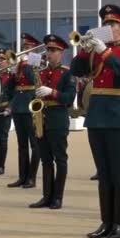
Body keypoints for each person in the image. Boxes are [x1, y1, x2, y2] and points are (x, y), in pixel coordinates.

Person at [71, 4, 120, 238]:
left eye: (112, 24)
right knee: (104, 174)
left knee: (119, 175)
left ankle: (119, 223)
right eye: (106, 24)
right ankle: (105, 221)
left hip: (119, 117)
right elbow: (76, 70)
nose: (108, 28)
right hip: (97, 116)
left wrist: (105, 53)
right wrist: (83, 50)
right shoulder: (96, 50)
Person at [29, 34, 76, 209]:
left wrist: (52, 92)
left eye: (54, 50)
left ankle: (58, 197)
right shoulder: (40, 72)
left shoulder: (68, 73)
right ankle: (46, 196)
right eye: (48, 49)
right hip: (42, 118)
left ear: (61, 52)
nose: (50, 53)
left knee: (60, 159)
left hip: (58, 119)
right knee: (46, 160)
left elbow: (69, 98)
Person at [6, 33, 41, 188]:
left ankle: (31, 177)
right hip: (19, 106)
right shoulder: (20, 65)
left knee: (34, 144)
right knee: (22, 145)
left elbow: (35, 81)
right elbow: (9, 88)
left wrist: (25, 64)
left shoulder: (37, 62)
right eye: (24, 47)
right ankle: (22, 176)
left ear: (34, 49)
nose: (24, 50)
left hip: (30, 105)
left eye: (28, 47)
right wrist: (12, 73)